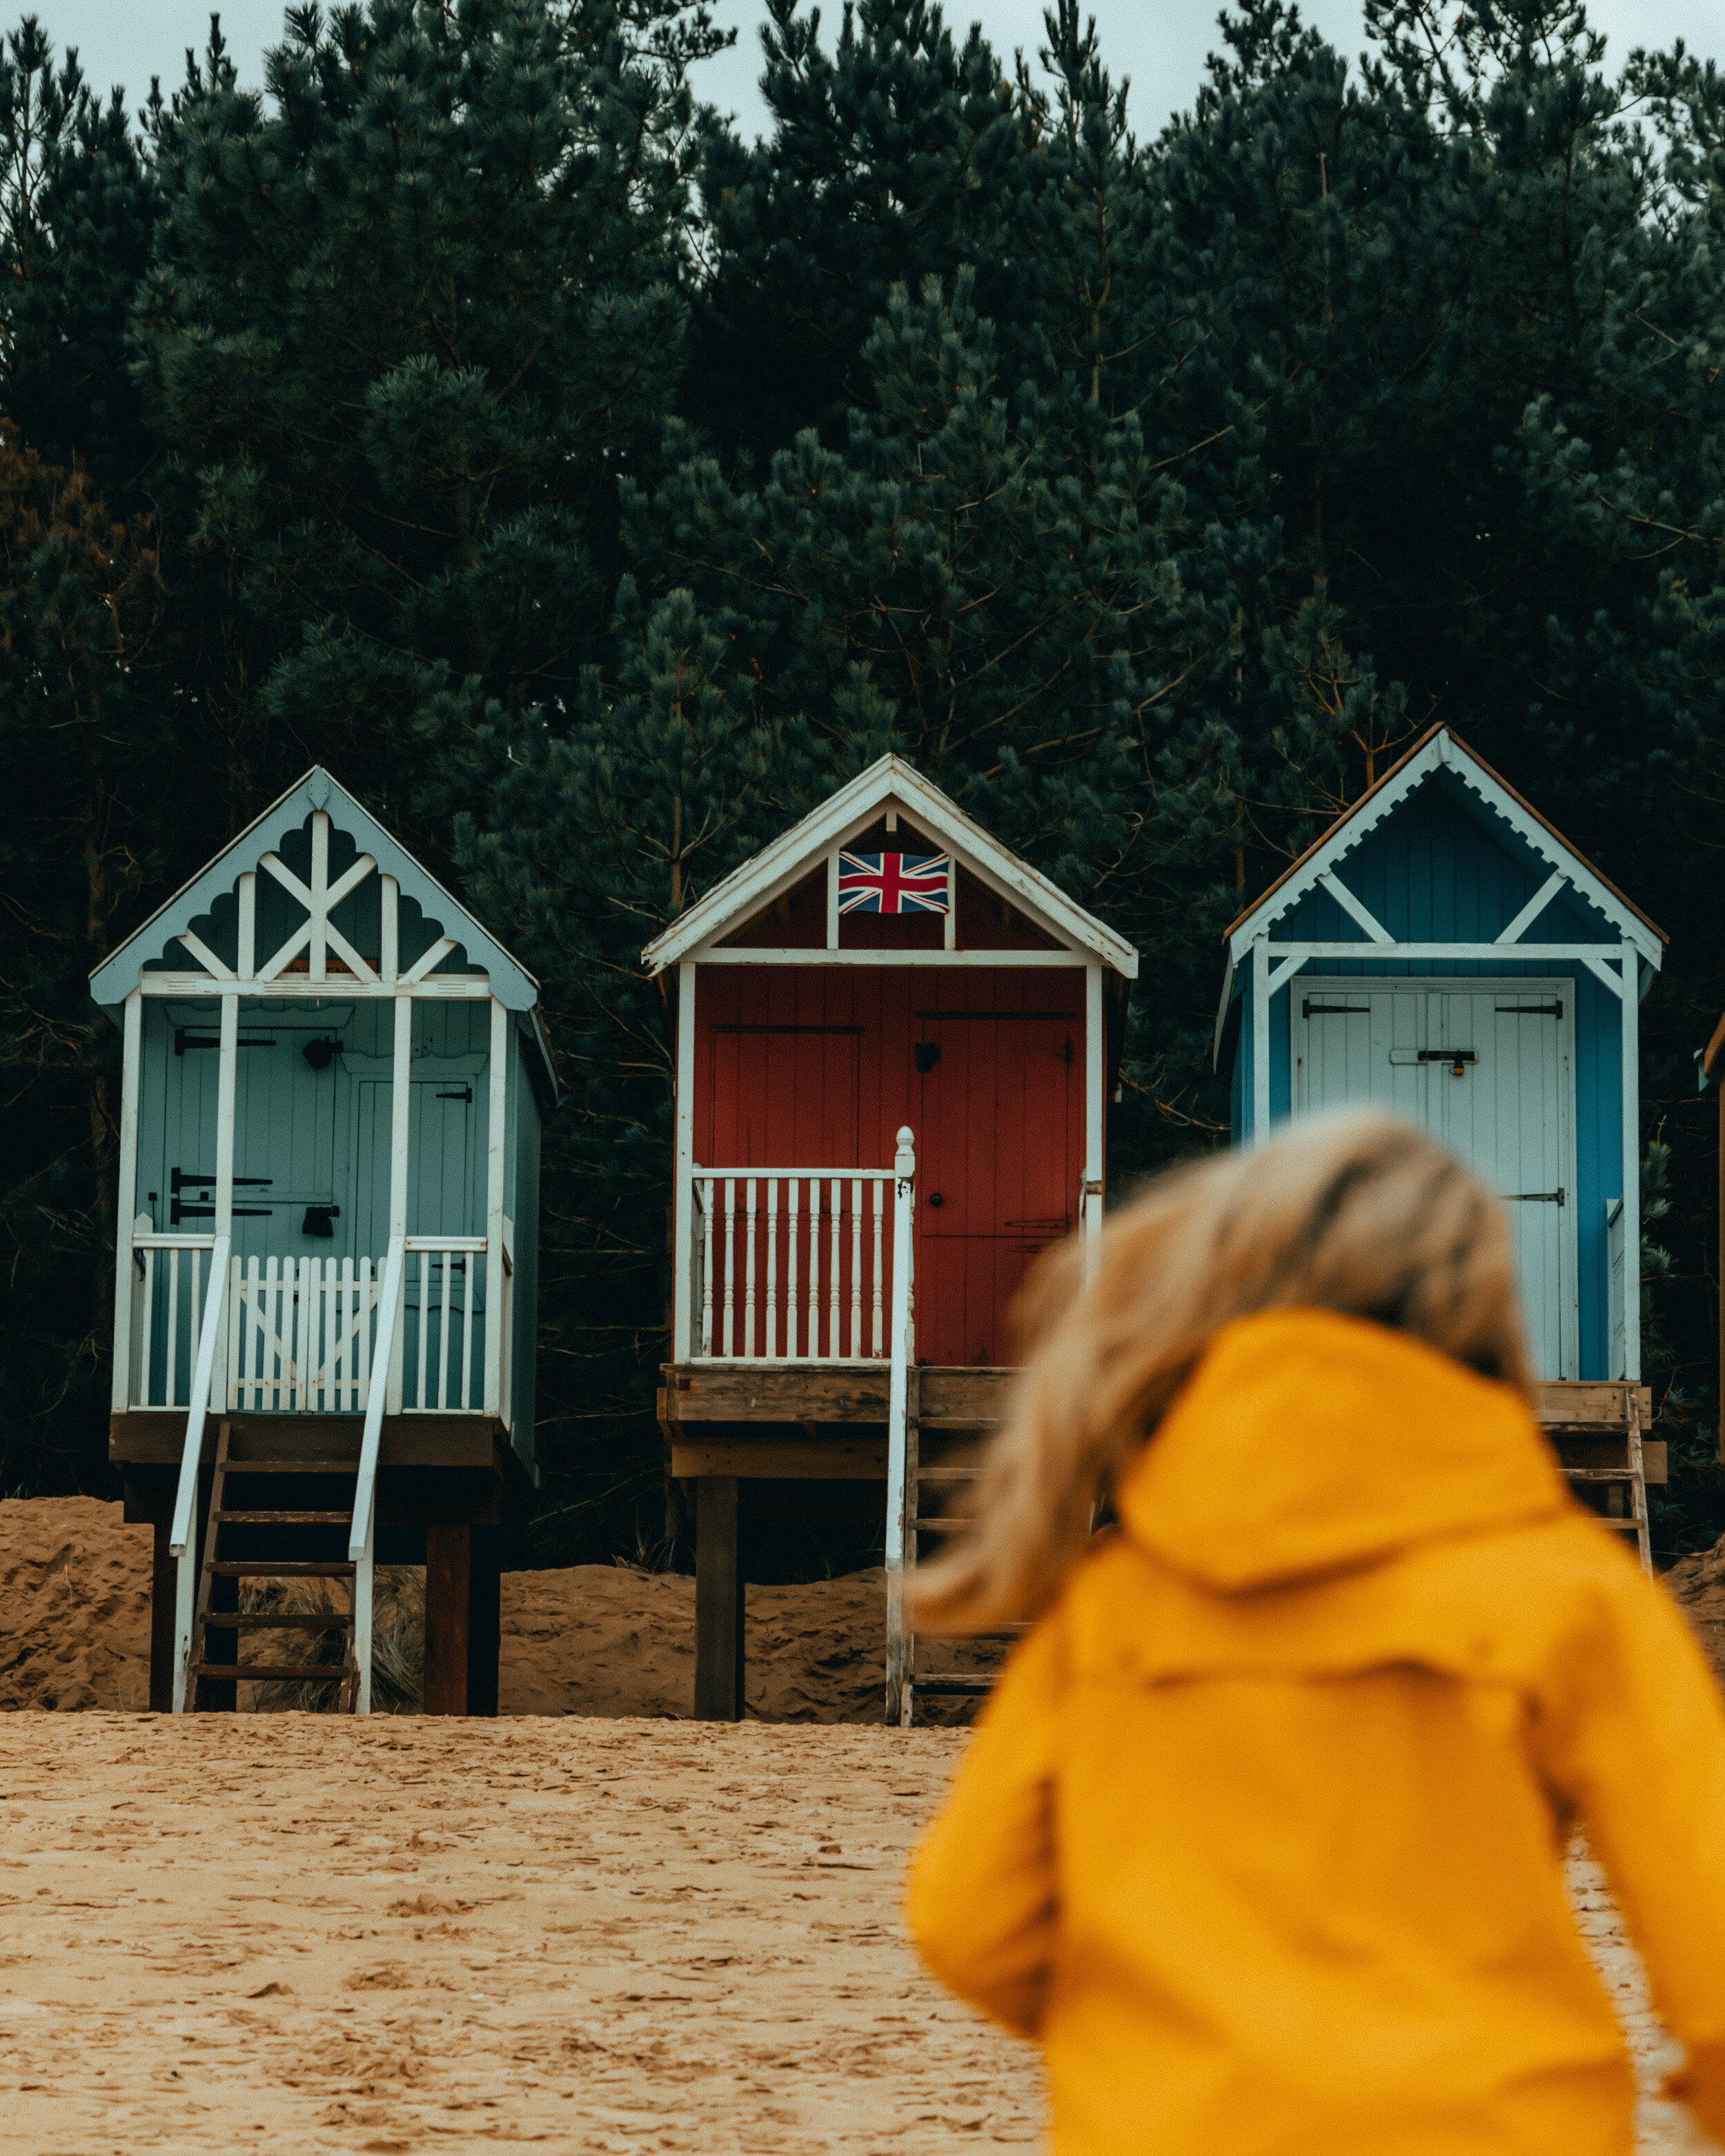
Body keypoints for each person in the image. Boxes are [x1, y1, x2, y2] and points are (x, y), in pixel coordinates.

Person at [905, 1109, 1725, 2155]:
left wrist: (1164, 2044)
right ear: (1481, 1312)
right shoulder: (1573, 1590)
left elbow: (967, 1921)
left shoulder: (1112, 1606)